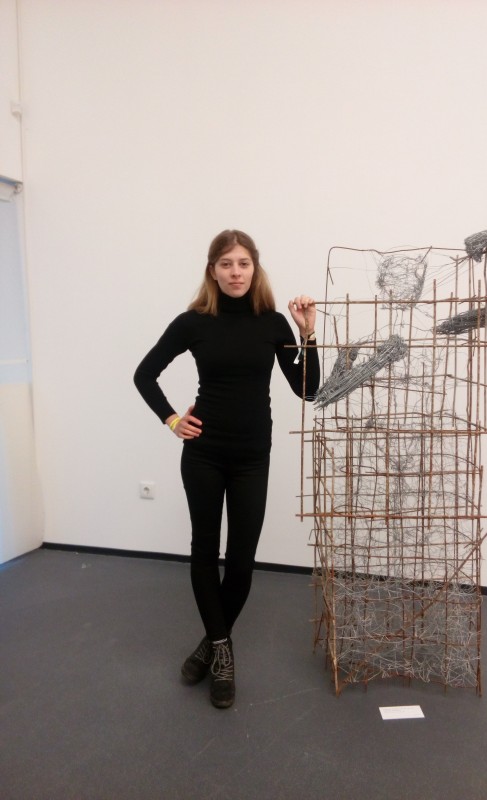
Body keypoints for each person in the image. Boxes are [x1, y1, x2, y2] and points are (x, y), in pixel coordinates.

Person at [133, 229, 320, 709]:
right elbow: (144, 374)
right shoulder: (193, 322)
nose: (235, 272)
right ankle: (222, 652)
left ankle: (209, 644)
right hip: (205, 454)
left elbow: (308, 389)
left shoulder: (273, 323)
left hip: (252, 456)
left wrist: (307, 335)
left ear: (254, 268)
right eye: (226, 264)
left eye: (243, 263)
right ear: (212, 271)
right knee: (204, 550)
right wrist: (172, 420)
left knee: (240, 561)